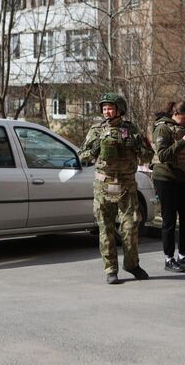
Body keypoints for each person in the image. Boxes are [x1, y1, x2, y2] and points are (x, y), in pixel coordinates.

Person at [79, 93, 154, 284]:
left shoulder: (131, 130)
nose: (106, 111)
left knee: (130, 227)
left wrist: (137, 146)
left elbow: (147, 157)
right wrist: (96, 148)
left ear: (120, 109)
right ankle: (111, 269)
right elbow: (82, 156)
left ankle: (132, 265)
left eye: (110, 108)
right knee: (106, 228)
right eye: (104, 108)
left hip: (127, 185)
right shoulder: (96, 130)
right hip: (103, 185)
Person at [151, 101, 185, 273]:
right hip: (165, 178)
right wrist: (182, 141)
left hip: (184, 177)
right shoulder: (163, 128)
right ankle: (169, 259)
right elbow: (163, 155)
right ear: (175, 113)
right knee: (169, 220)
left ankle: (183, 255)